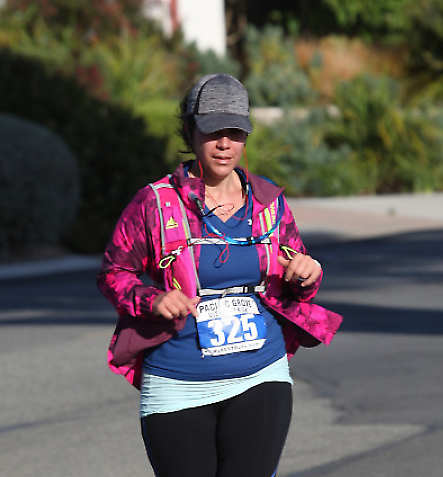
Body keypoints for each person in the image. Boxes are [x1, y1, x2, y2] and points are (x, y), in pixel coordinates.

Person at [97, 73, 342, 477]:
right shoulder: (154, 204)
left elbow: (297, 278)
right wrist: (153, 299)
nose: (225, 144)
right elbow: (114, 273)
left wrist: (307, 274)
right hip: (178, 383)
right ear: (190, 131)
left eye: (235, 132)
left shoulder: (269, 203)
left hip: (261, 374)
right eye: (213, 131)